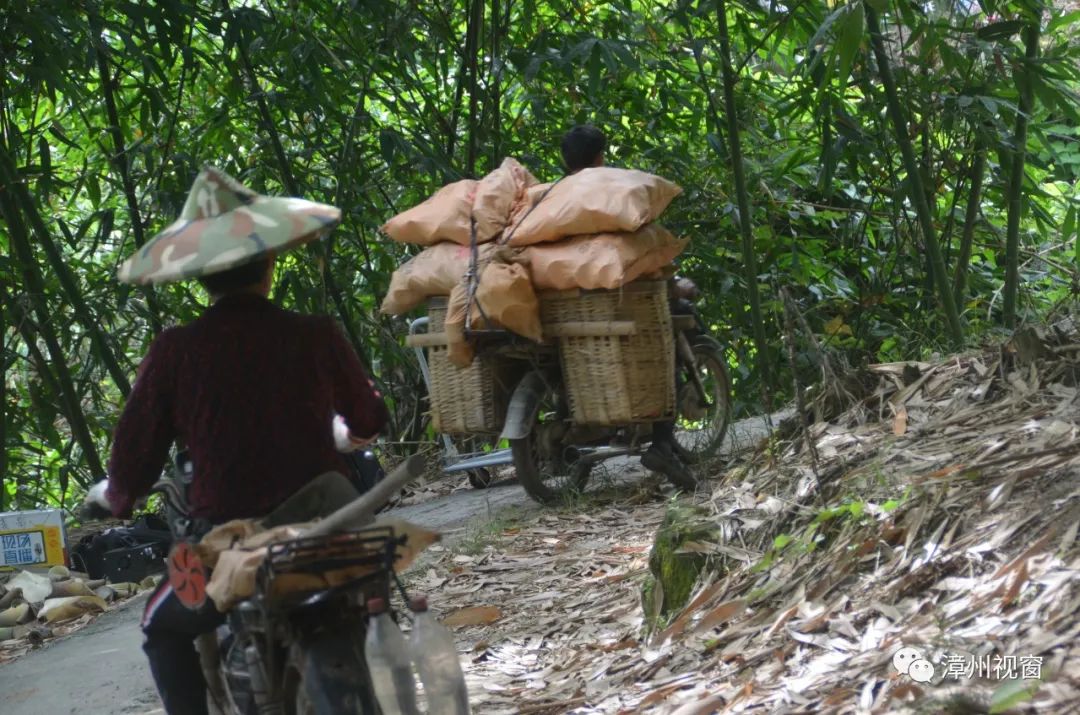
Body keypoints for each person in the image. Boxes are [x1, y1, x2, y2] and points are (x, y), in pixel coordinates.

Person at [85, 167, 388, 714]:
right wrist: (350, 434)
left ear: (198, 276)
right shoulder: (315, 334)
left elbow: (134, 455)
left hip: (227, 541)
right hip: (325, 526)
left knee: (162, 629)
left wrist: (117, 496)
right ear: (270, 260)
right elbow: (368, 416)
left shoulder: (175, 351)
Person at [558, 126, 695, 485]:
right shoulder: (616, 190)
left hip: (565, 306)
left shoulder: (552, 199)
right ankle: (661, 443)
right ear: (600, 157)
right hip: (623, 303)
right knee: (663, 339)